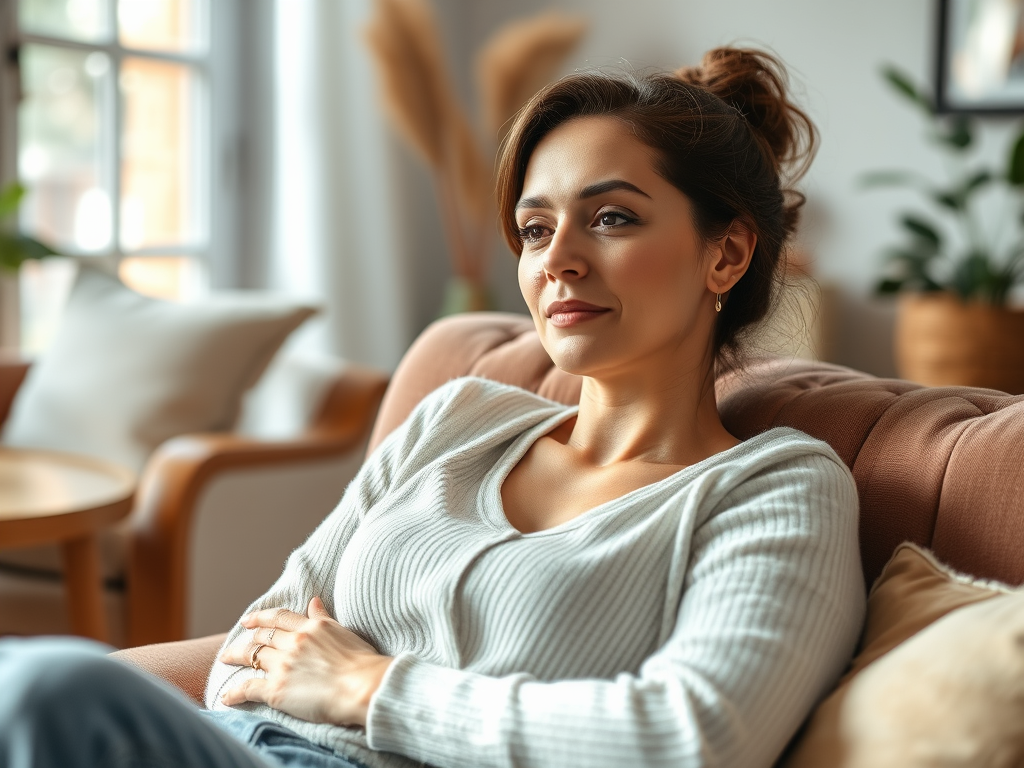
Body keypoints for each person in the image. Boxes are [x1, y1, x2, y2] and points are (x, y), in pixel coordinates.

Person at [0, 47, 865, 768]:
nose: (556, 259)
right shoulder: (460, 419)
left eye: (610, 218)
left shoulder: (775, 488)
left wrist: (367, 688)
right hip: (239, 746)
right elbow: (247, 654)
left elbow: (690, 738)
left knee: (48, 690)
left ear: (727, 254)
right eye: (533, 228)